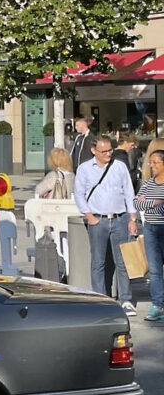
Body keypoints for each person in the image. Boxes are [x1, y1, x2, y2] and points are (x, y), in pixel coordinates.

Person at [74, 135, 138, 317]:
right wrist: (89, 216)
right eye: (104, 151)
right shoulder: (85, 169)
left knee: (123, 261)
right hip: (98, 220)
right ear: (94, 151)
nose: (108, 154)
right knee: (98, 262)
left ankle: (125, 299)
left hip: (120, 218)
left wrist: (132, 218)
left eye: (110, 150)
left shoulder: (119, 167)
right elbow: (78, 194)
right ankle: (101, 299)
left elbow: (128, 192)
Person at [136, 150, 164, 322]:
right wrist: (155, 202)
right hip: (150, 229)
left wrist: (151, 204)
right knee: (154, 271)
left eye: (155, 162)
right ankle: (157, 305)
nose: (151, 166)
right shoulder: (148, 184)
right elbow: (136, 202)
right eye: (150, 162)